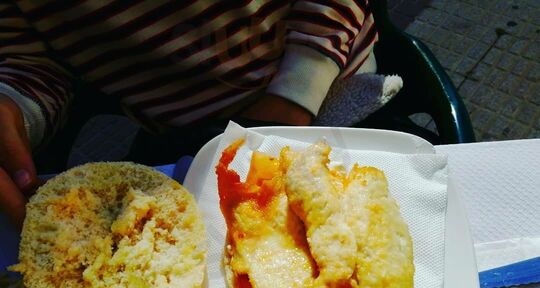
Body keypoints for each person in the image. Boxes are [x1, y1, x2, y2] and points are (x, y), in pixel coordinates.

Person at [0, 0, 378, 227]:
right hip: (182, 132)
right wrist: (12, 105)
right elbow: (31, 58)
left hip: (328, 87)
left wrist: (294, 95)